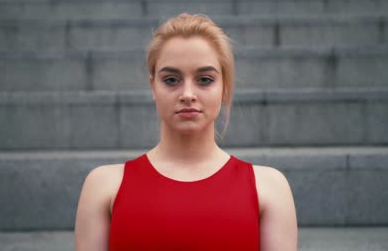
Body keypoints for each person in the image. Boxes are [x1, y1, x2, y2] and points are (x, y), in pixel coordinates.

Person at [74, 13, 297, 251]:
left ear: (225, 88)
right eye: (171, 79)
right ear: (153, 87)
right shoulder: (104, 186)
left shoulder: (268, 188)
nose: (188, 94)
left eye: (204, 79)